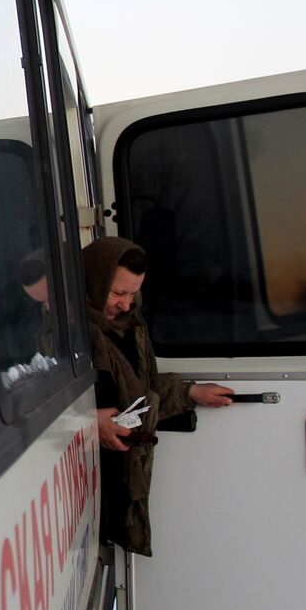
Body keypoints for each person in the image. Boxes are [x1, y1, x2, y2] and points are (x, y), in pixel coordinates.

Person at [83, 236, 233, 557]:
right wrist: (88, 422)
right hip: (80, 482)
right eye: (118, 292)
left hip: (115, 479)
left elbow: (139, 391)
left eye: (133, 294)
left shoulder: (129, 325)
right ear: (94, 280)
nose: (125, 304)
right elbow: (36, 404)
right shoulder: (66, 331)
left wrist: (189, 391)